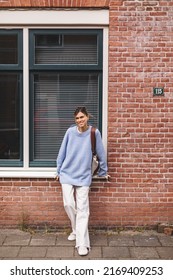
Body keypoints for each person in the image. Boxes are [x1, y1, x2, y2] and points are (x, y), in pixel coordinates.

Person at [55, 106, 108, 256]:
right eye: (77, 118)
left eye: (82, 117)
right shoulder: (70, 132)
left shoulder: (94, 133)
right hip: (67, 173)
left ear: (87, 117)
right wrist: (58, 170)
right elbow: (62, 151)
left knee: (83, 209)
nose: (79, 120)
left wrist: (104, 171)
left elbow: (101, 153)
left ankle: (82, 244)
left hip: (84, 176)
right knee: (68, 204)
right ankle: (75, 229)